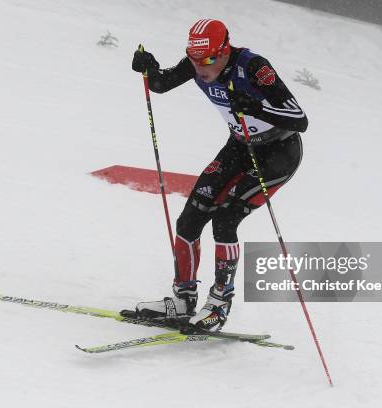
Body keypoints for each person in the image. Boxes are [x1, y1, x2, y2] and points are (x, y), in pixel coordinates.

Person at [132, 19, 308, 332]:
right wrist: (148, 68)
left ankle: (219, 304)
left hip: (278, 153)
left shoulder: (253, 68)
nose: (202, 68)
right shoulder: (198, 62)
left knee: (226, 220)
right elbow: (160, 84)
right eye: (195, 59)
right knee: (189, 219)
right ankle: (183, 301)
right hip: (240, 145)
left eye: (209, 60)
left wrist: (257, 107)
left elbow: (299, 119)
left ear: (225, 51)